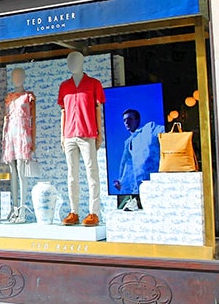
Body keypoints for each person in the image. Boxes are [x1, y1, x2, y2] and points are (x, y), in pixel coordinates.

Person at [58, 52, 105, 227]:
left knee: (92, 172)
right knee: (72, 175)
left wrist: (99, 132)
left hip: (87, 133)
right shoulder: (64, 86)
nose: (72, 64)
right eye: (69, 61)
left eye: (75, 60)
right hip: (70, 134)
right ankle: (74, 211)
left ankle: (94, 212)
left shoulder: (93, 84)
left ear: (82, 62)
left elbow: (98, 109)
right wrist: (62, 135)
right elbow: (63, 111)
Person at [2, 68, 37, 223]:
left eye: (19, 76)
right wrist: (4, 138)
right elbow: (6, 118)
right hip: (10, 135)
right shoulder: (9, 97)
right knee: (13, 174)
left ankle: (22, 209)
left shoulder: (28, 97)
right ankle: (14, 208)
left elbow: (33, 119)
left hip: (23, 134)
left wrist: (33, 140)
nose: (16, 79)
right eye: (14, 76)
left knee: (22, 173)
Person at [113, 108, 165, 195]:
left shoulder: (149, 129)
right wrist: (121, 182)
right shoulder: (128, 142)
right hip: (138, 188)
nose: (126, 122)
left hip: (155, 182)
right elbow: (128, 166)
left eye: (129, 119)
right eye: (124, 120)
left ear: (137, 120)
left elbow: (166, 131)